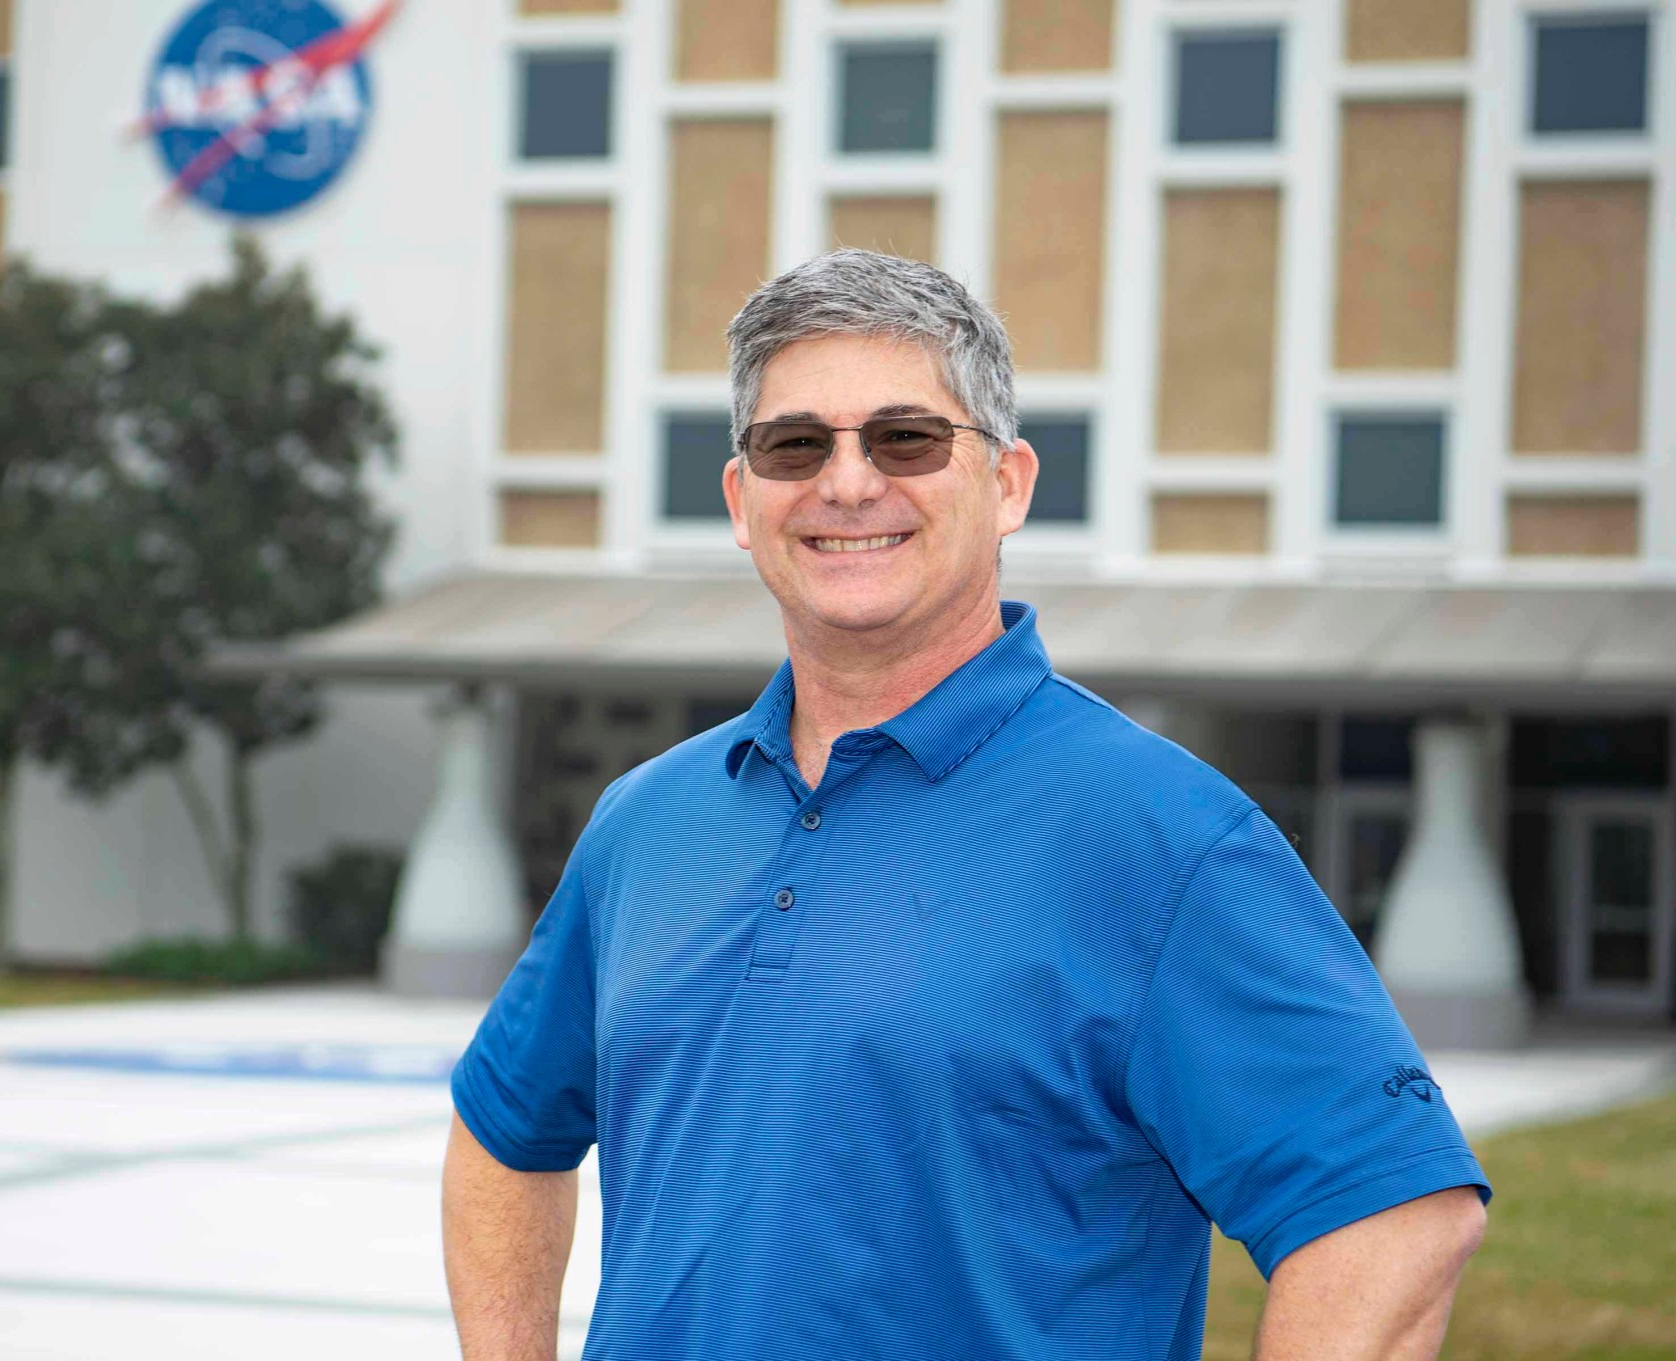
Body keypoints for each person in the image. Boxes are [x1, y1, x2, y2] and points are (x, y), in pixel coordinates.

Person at [440, 249, 1489, 1360]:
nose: (847, 484)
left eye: (906, 438)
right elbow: (503, 1131)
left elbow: (1392, 1218)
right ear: (743, 502)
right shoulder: (645, 820)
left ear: (1006, 484)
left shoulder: (1164, 836)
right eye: (796, 444)